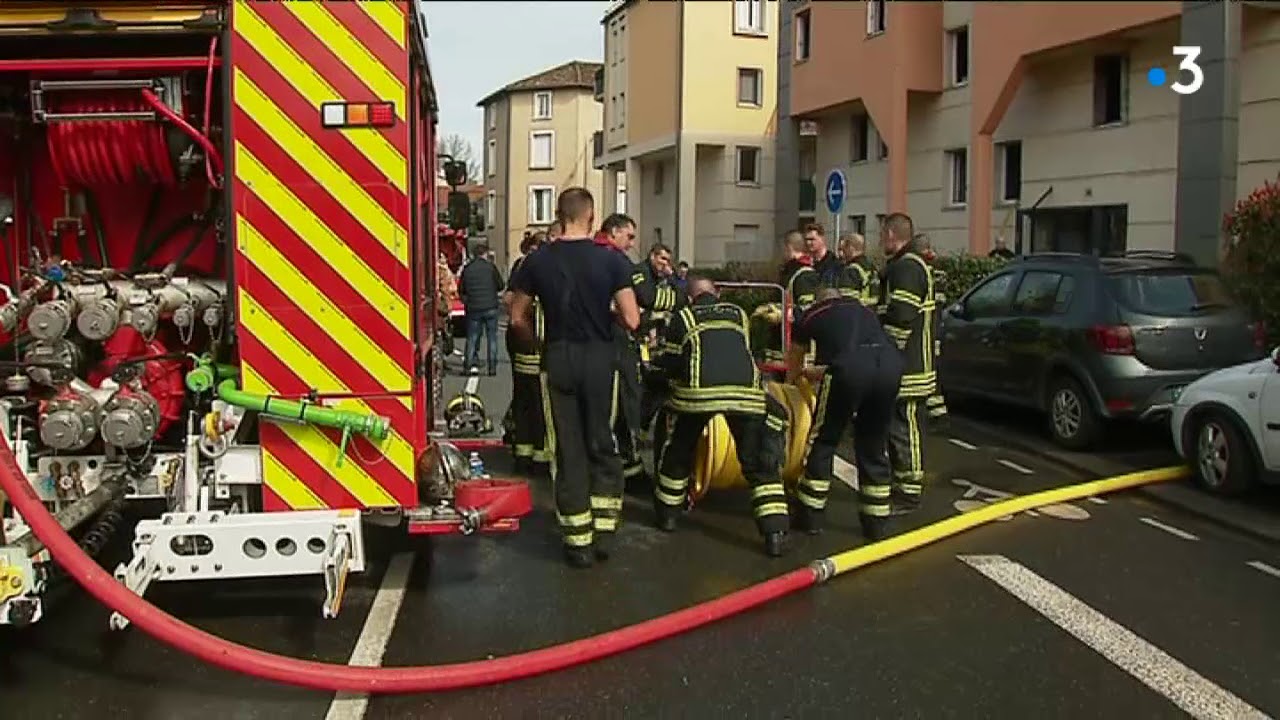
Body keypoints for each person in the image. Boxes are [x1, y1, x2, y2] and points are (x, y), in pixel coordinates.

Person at [509, 188, 640, 568]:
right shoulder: (611, 261)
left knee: (567, 446)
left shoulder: (536, 262)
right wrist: (610, 316)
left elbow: (517, 316)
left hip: (559, 356)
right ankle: (604, 531)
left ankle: (577, 540)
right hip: (600, 357)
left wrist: (537, 344)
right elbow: (632, 319)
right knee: (602, 438)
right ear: (592, 216)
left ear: (558, 214)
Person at [651, 275, 790, 557]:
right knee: (755, 464)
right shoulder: (738, 313)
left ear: (690, 298)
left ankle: (668, 515)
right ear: (716, 293)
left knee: (679, 451)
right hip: (746, 395)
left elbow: (673, 362)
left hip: (699, 396)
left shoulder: (684, 317)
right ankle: (774, 533)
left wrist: (657, 374)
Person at [786, 288, 902, 539]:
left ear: (819, 300)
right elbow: (850, 360)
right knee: (873, 442)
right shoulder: (864, 311)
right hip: (890, 368)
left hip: (851, 370)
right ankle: (877, 521)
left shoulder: (811, 315)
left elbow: (796, 357)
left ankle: (809, 514)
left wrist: (792, 384)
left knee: (825, 438)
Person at [879, 213, 936, 515]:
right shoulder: (905, 266)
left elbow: (900, 317)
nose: (880, 241)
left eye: (881, 234)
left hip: (908, 367)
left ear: (891, 234)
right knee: (896, 427)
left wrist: (885, 357)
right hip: (907, 364)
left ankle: (909, 493)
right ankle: (900, 483)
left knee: (905, 427)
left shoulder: (907, 268)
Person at [503, 232, 549, 472]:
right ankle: (539, 457)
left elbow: (509, 301)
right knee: (539, 402)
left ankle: (523, 455)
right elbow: (512, 305)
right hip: (537, 348)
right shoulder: (536, 268)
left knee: (523, 400)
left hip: (523, 346)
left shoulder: (523, 267)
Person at [914, 233, 949, 427]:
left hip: (928, 327)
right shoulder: (939, 271)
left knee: (930, 368)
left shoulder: (921, 271)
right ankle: (936, 411)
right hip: (936, 325)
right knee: (933, 368)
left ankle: (937, 413)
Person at [458, 242, 504, 376]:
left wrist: (467, 300)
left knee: (472, 337)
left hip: (473, 307)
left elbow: (462, 289)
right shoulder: (491, 268)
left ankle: (467, 366)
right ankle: (492, 368)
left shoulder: (467, 269)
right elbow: (501, 285)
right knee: (492, 338)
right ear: (485, 254)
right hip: (491, 307)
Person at [837, 233, 879, 307]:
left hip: (857, 314)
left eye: (844, 249)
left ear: (851, 248)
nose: (843, 254)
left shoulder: (851, 270)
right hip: (872, 314)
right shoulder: (873, 268)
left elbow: (847, 302)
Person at [802, 222, 845, 288]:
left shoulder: (834, 263)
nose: (808, 243)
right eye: (806, 239)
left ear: (822, 239)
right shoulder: (806, 263)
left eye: (812, 239)